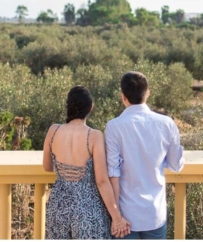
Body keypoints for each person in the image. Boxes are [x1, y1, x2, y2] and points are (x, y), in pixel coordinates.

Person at [43, 85, 131, 239]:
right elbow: (102, 181)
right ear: (90, 107)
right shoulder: (94, 136)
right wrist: (117, 218)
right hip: (87, 209)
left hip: (58, 207)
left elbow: (47, 167)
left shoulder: (53, 130)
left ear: (68, 106)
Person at [105, 71, 185, 239]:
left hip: (125, 216)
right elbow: (176, 164)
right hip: (154, 213)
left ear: (123, 97)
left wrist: (116, 216)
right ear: (147, 92)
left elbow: (113, 172)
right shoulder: (167, 124)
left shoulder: (114, 127)